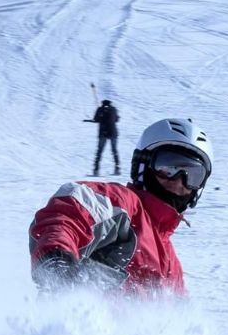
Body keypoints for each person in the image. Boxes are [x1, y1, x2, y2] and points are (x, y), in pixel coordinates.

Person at [29, 118, 212, 295]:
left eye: (193, 175)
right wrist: (56, 260)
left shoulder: (171, 262)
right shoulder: (125, 206)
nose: (179, 181)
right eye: (168, 168)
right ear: (143, 166)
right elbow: (71, 211)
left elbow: (179, 315)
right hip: (77, 320)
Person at [88, 99, 120, 176]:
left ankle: (96, 169)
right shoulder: (114, 109)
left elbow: (96, 120)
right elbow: (117, 119)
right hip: (113, 132)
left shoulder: (100, 109)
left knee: (99, 151)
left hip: (103, 132)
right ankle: (117, 168)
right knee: (114, 150)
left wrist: (100, 116)